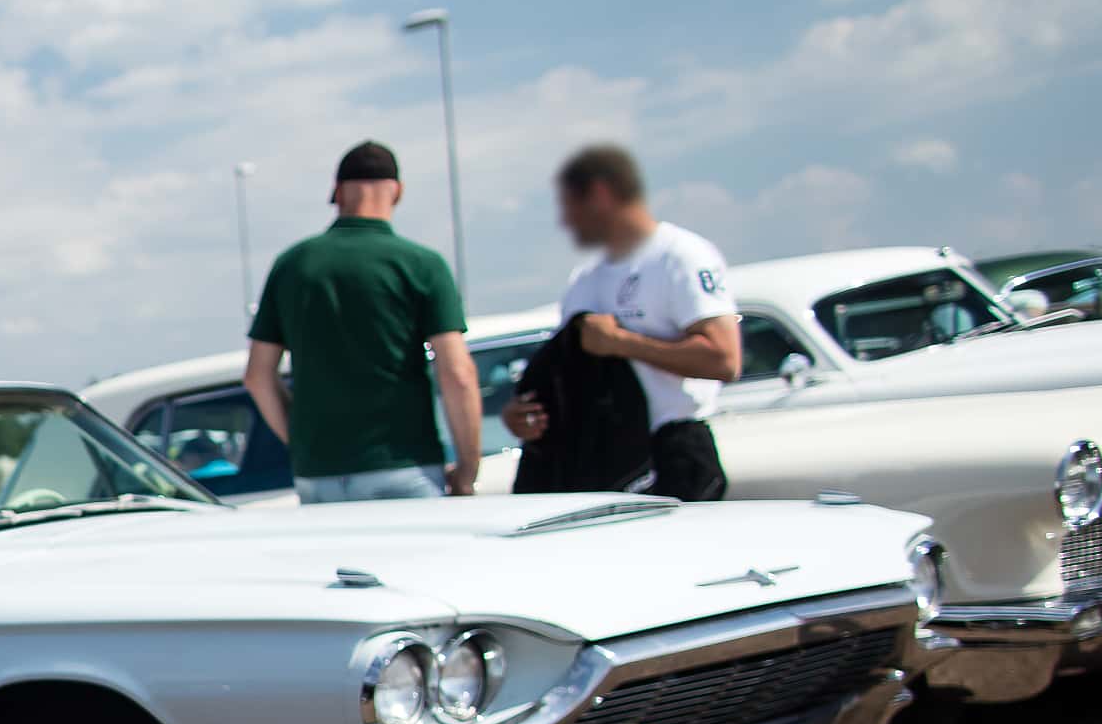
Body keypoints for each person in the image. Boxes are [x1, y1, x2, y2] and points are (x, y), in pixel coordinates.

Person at [242, 140, 484, 500]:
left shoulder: (292, 265)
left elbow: (257, 377)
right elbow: (457, 374)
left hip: (317, 474)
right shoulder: (422, 265)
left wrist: (304, 441)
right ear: (397, 192)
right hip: (404, 465)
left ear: (337, 193)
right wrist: (467, 468)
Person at [511, 144, 737, 468]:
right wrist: (520, 416)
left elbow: (724, 360)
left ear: (601, 195)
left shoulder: (680, 257)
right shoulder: (584, 280)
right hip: (603, 455)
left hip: (672, 450)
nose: (565, 221)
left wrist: (621, 343)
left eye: (570, 206)